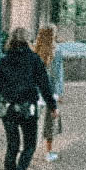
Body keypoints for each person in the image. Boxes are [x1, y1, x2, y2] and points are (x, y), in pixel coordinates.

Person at [0, 26, 57, 170]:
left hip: (8, 109)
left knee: (12, 147)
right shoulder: (34, 59)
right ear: (28, 40)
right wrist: (52, 106)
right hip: (28, 108)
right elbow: (44, 84)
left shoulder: (4, 60)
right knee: (29, 145)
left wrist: (10, 92)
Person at [33, 24, 64, 161]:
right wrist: (58, 93)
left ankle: (28, 150)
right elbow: (58, 76)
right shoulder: (56, 52)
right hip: (49, 94)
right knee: (49, 125)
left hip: (34, 93)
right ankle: (48, 152)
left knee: (31, 122)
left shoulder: (34, 51)